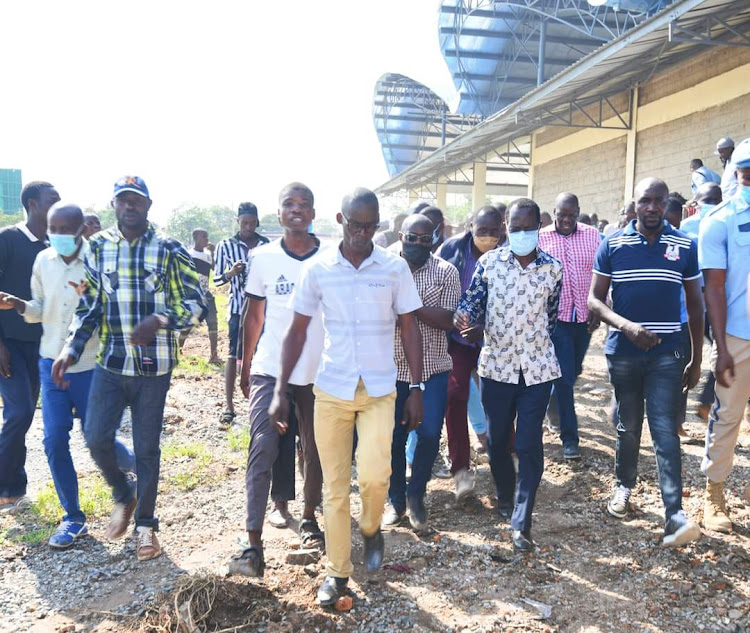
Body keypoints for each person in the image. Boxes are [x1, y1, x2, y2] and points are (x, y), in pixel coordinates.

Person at [270, 188, 423, 606]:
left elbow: (409, 327)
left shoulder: (393, 268)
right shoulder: (318, 269)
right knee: (335, 488)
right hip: (332, 390)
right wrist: (280, 390)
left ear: (378, 225)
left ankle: (372, 527)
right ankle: (337, 573)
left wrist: (417, 386)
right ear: (340, 220)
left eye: (369, 225)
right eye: (354, 224)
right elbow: (297, 331)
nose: (361, 233)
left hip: (379, 391)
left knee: (375, 477)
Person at [52, 176, 204, 561]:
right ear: (114, 205)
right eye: (123, 200)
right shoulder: (98, 248)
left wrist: (161, 320)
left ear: (149, 206)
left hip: (155, 369)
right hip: (112, 363)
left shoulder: (169, 248)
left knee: (147, 448)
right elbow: (89, 306)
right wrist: (70, 349)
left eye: (137, 200)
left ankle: (146, 527)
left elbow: (196, 301)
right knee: (96, 435)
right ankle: (124, 491)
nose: (130, 206)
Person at [0, 202, 135, 547]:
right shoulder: (43, 261)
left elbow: (102, 316)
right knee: (54, 439)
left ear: (81, 230)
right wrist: (19, 305)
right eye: (52, 229)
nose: (58, 236)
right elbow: (40, 310)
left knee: (97, 436)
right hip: (50, 364)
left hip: (89, 367)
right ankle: (73, 518)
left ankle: (139, 473)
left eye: (65, 230)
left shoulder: (97, 261)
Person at [588, 177, 703, 547]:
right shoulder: (613, 243)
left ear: (668, 203)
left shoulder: (684, 245)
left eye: (659, 200)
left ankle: (674, 514)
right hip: (623, 352)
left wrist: (697, 358)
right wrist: (627, 326)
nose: (652, 207)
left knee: (666, 430)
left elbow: (696, 304)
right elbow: (594, 300)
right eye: (645, 201)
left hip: (667, 354)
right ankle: (624, 485)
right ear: (634, 204)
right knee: (628, 425)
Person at [229, 183, 326, 577]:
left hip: (319, 373)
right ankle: (252, 543)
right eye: (289, 204)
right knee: (263, 446)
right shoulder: (263, 257)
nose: (296, 210)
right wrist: (245, 363)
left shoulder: (331, 257)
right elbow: (254, 316)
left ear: (314, 213)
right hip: (270, 369)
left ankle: (309, 519)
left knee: (317, 449)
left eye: (304, 205)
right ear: (280, 212)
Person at [455, 198, 562, 551]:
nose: (521, 234)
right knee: (499, 441)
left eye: (528, 229)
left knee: (530, 444)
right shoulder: (489, 264)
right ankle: (505, 495)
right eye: (515, 229)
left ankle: (521, 520)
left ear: (538, 229)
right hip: (497, 368)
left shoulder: (552, 269)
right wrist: (467, 322)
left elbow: (552, 316)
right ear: (505, 227)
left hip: (538, 369)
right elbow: (471, 303)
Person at [384, 214, 460, 531]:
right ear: (401, 236)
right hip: (391, 370)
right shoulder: (385, 269)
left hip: (434, 369)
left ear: (434, 239)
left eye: (423, 238)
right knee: (393, 439)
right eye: (410, 237)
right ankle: (396, 500)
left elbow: (448, 320)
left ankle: (417, 495)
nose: (416, 243)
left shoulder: (446, 272)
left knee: (429, 434)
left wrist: (409, 306)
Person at [699, 138, 750, 534]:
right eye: (746, 173)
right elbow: (713, 287)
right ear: (739, 175)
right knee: (728, 414)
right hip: (739, 334)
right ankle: (714, 492)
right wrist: (719, 347)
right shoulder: (720, 220)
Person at [438, 205, 506, 500]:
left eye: (494, 232)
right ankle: (461, 470)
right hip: (458, 340)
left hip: (496, 339)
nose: (488, 237)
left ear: (502, 230)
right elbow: (436, 288)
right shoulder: (451, 250)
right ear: (470, 227)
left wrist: (487, 325)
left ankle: (506, 456)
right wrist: (452, 317)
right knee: (455, 397)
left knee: (502, 398)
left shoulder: (512, 253)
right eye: (482, 232)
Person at [0, 181, 60, 511]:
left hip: (40, 346)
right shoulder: (7, 239)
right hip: (8, 345)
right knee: (19, 412)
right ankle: (5, 486)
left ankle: (14, 488)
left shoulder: (53, 247)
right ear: (33, 204)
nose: (59, 205)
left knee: (21, 415)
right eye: (53, 200)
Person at [538, 193, 601, 460]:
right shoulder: (541, 238)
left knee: (573, 372)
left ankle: (554, 408)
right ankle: (570, 438)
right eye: (561, 215)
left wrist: (600, 307)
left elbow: (602, 272)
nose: (566, 220)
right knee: (564, 379)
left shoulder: (592, 236)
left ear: (578, 212)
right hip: (556, 319)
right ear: (554, 212)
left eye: (571, 215)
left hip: (585, 318)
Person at [213, 203, 269, 428]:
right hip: (237, 308)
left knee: (261, 356)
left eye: (252, 223)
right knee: (233, 355)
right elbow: (216, 280)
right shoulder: (225, 246)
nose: (247, 227)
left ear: (257, 222)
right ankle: (229, 406)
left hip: (263, 310)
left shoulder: (266, 245)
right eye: (244, 222)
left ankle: (259, 405)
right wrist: (231, 272)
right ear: (237, 221)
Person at [181, 229, 220, 364]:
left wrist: (214, 253)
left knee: (213, 323)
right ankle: (179, 350)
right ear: (195, 238)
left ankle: (214, 355)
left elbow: (216, 269)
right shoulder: (188, 255)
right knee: (189, 323)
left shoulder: (208, 255)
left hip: (206, 293)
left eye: (207, 237)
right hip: (193, 294)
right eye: (204, 237)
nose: (206, 239)